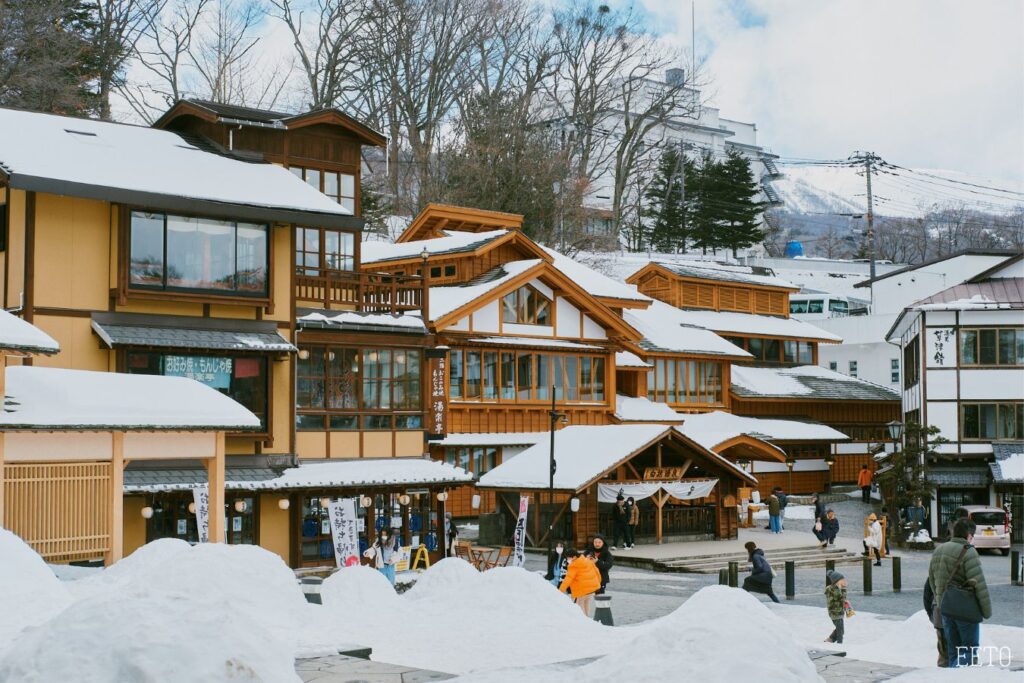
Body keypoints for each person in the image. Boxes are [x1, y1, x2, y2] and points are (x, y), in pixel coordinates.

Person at [929, 518, 992, 667]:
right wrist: (987, 611)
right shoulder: (969, 552)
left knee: (953, 650)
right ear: (969, 535)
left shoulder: (938, 550)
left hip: (946, 609)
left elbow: (932, 580)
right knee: (968, 650)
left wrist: (940, 600)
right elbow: (980, 586)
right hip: (965, 611)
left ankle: (953, 675)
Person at [559, 549, 602, 616]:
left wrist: (560, 591)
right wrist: (598, 583)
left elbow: (568, 579)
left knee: (579, 604)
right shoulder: (587, 560)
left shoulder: (573, 566)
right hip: (592, 588)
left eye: (568, 558)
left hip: (582, 589)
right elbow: (597, 571)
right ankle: (587, 618)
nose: (567, 560)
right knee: (586, 603)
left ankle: (583, 620)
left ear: (574, 557)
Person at [923, 577, 948, 667]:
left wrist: (931, 615)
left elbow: (926, 596)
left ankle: (943, 671)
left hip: (939, 615)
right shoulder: (963, 569)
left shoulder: (934, 570)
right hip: (959, 616)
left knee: (944, 651)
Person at [824, 570, 851, 644]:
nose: (844, 581)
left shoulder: (837, 589)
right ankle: (839, 644)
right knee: (840, 631)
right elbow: (840, 597)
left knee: (840, 630)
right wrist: (844, 588)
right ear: (836, 581)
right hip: (835, 613)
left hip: (839, 612)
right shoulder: (832, 589)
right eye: (842, 580)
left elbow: (843, 599)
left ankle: (830, 639)